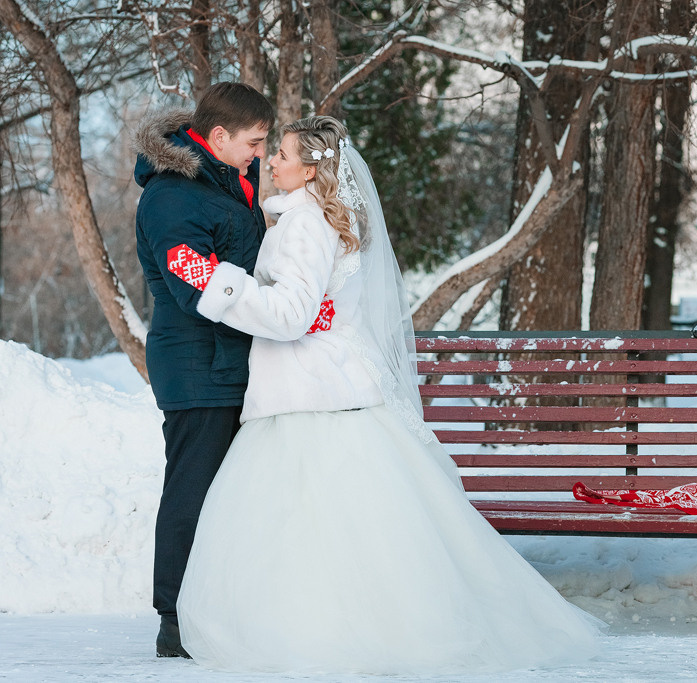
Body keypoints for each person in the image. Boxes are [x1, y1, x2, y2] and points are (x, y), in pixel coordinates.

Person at [170, 115, 602, 675]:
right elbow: (320, 307)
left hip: (308, 393)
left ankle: (314, 635)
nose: (270, 161)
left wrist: (216, 282)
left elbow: (292, 314)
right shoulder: (324, 218)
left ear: (310, 170)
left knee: (302, 527)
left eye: (282, 154)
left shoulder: (302, 225)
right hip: (327, 387)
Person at [132, 82, 275, 658]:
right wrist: (283, 311)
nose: (261, 153)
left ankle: (217, 610)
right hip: (197, 366)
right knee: (193, 490)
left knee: (229, 494)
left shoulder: (224, 181)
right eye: (255, 142)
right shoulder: (172, 196)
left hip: (229, 360)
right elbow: (195, 278)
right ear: (218, 136)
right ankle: (175, 621)